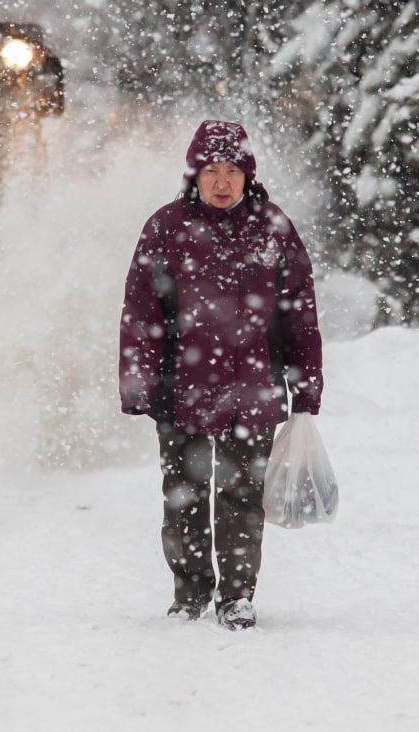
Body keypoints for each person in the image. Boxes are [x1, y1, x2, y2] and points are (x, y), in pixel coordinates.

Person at [119, 119, 323, 630]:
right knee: (184, 494)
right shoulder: (166, 227)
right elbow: (141, 311)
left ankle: (236, 596)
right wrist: (140, 382)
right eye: (212, 170)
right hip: (179, 387)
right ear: (196, 174)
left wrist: (306, 386)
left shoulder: (273, 227)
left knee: (241, 496)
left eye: (233, 170)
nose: (222, 181)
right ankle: (189, 594)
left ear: (248, 174)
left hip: (251, 386)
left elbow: (299, 312)